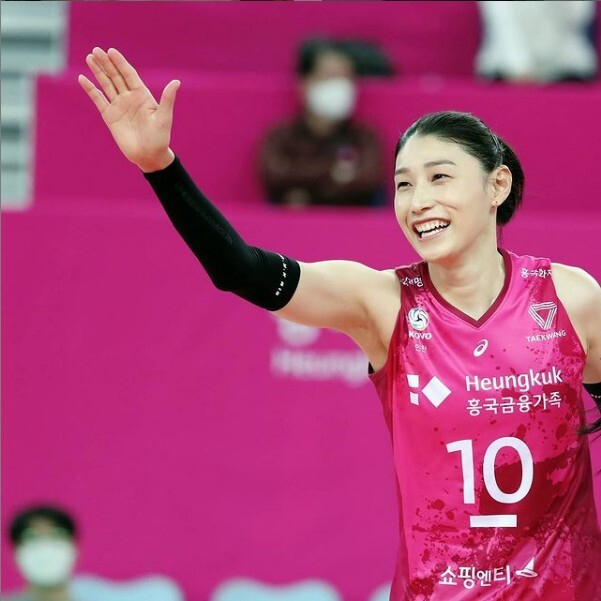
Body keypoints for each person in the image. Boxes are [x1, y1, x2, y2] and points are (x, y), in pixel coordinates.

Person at [78, 47, 601, 600]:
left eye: (439, 178)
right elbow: (240, 270)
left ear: (496, 186)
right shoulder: (381, 302)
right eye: (404, 184)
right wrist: (160, 166)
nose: (419, 202)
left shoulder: (571, 297)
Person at [259, 39, 385, 207]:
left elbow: (368, 179)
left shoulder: (364, 136)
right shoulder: (282, 136)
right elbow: (274, 174)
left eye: (345, 78)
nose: (339, 86)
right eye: (329, 77)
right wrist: (334, 172)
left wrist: (304, 190)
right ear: (305, 84)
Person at [3, 504, 184, 601]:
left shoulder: (97, 594)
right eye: (31, 538)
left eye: (56, 536)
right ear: (15, 554)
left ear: (74, 549)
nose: (45, 549)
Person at [475, 1, 598, 83]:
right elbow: (504, 25)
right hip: (506, 68)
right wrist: (520, 66)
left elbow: (578, 18)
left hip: (566, 67)